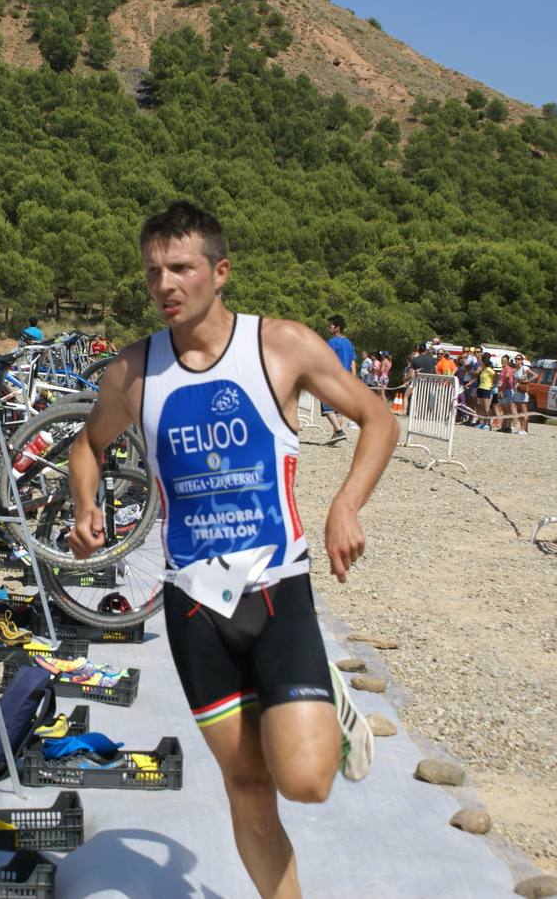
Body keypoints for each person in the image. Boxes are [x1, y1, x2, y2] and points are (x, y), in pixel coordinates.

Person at [67, 202, 391, 899]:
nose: (165, 284)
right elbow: (87, 445)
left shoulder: (282, 347)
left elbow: (378, 418)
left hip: (276, 588)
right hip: (194, 604)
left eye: (181, 268)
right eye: (154, 272)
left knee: (302, 782)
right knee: (246, 783)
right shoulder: (132, 372)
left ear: (220, 271)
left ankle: (322, 700)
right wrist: (84, 504)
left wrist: (346, 505)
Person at [321, 314, 355, 443]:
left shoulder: (333, 342)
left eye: (330, 326)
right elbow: (353, 363)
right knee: (338, 408)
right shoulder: (349, 343)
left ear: (337, 328)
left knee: (327, 406)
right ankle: (336, 435)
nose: (328, 328)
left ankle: (339, 431)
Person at [511, 354, 533, 435]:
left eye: (519, 359)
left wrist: (527, 381)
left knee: (524, 410)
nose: (517, 360)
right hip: (517, 391)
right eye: (516, 359)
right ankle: (522, 428)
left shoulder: (524, 368)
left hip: (523, 391)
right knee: (519, 410)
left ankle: (524, 429)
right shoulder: (516, 369)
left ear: (522, 360)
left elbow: (535, 375)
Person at [474, 352, 496, 431]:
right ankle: (483, 423)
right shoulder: (482, 369)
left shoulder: (489, 369)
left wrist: (493, 384)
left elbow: (496, 375)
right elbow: (476, 374)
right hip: (480, 387)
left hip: (486, 388)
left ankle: (488, 424)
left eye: (481, 360)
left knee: (487, 407)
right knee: (482, 407)